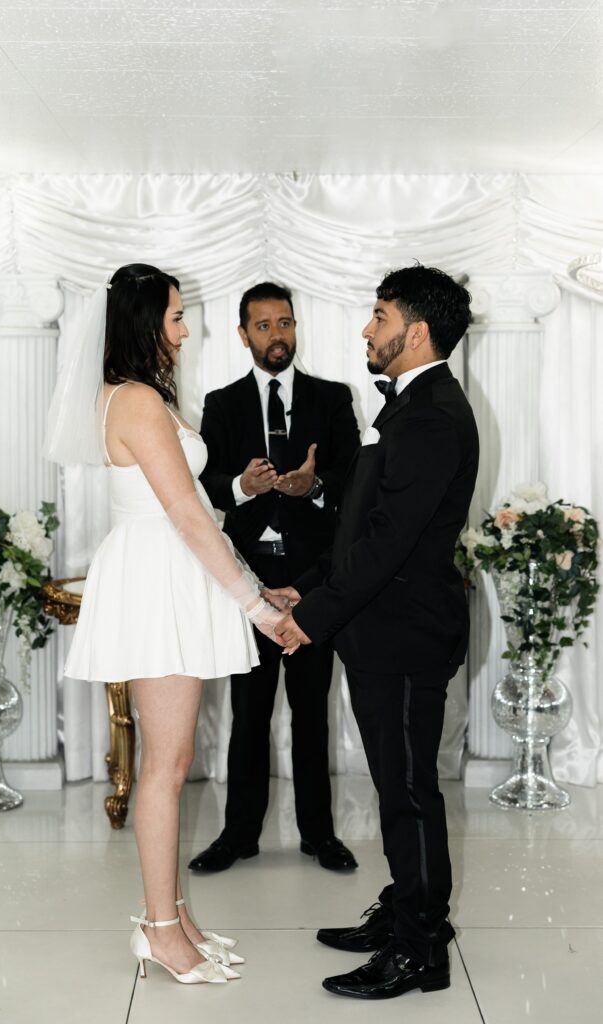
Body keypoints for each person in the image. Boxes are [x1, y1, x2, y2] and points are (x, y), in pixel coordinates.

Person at [44, 264, 292, 987]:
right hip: (157, 578)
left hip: (171, 570)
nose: (189, 328)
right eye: (179, 316)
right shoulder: (137, 403)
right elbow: (184, 516)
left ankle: (175, 915)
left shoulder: (145, 397)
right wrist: (255, 608)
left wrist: (253, 582)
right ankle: (157, 929)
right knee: (167, 764)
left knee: (171, 760)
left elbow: (199, 515)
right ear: (146, 322)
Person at [272, 265, 479, 999]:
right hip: (382, 626)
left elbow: (390, 541)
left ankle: (420, 950)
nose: (367, 328)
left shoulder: (428, 414)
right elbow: (364, 519)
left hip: (403, 633)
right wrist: (314, 583)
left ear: (415, 332)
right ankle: (404, 909)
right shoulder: (409, 407)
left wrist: (310, 619)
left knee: (408, 792)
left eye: (379, 315)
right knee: (399, 785)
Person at [188, 282, 361, 875]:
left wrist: (310, 487)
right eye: (263, 326)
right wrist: (245, 487)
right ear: (243, 336)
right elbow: (204, 492)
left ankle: (320, 835)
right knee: (248, 715)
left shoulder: (334, 399)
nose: (276, 335)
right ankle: (239, 835)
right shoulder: (221, 403)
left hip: (314, 585)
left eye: (284, 322)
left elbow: (354, 488)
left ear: (296, 327)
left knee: (313, 712)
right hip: (248, 585)